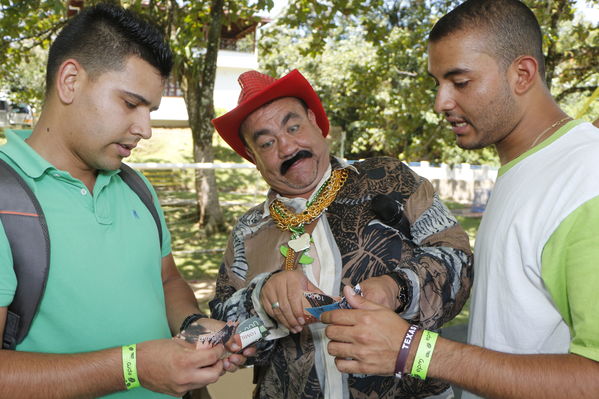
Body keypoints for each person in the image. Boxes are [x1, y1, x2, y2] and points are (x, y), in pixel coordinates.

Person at [321, 1, 599, 398]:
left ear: (522, 74)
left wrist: (414, 351)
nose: (441, 103)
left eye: (460, 82)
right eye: (437, 83)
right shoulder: (528, 166)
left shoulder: (586, 177)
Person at [0, 4, 249, 398]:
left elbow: (166, 279)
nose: (145, 129)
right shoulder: (5, 197)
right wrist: (133, 368)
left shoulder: (136, 186)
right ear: (70, 81)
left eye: (150, 111)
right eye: (131, 104)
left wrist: (195, 328)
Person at [209, 68, 473, 398]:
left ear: (316, 122)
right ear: (253, 157)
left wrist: (397, 288)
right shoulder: (248, 232)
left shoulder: (389, 178)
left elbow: (459, 257)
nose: (288, 146)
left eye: (293, 127)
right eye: (266, 142)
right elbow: (225, 335)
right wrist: (264, 301)